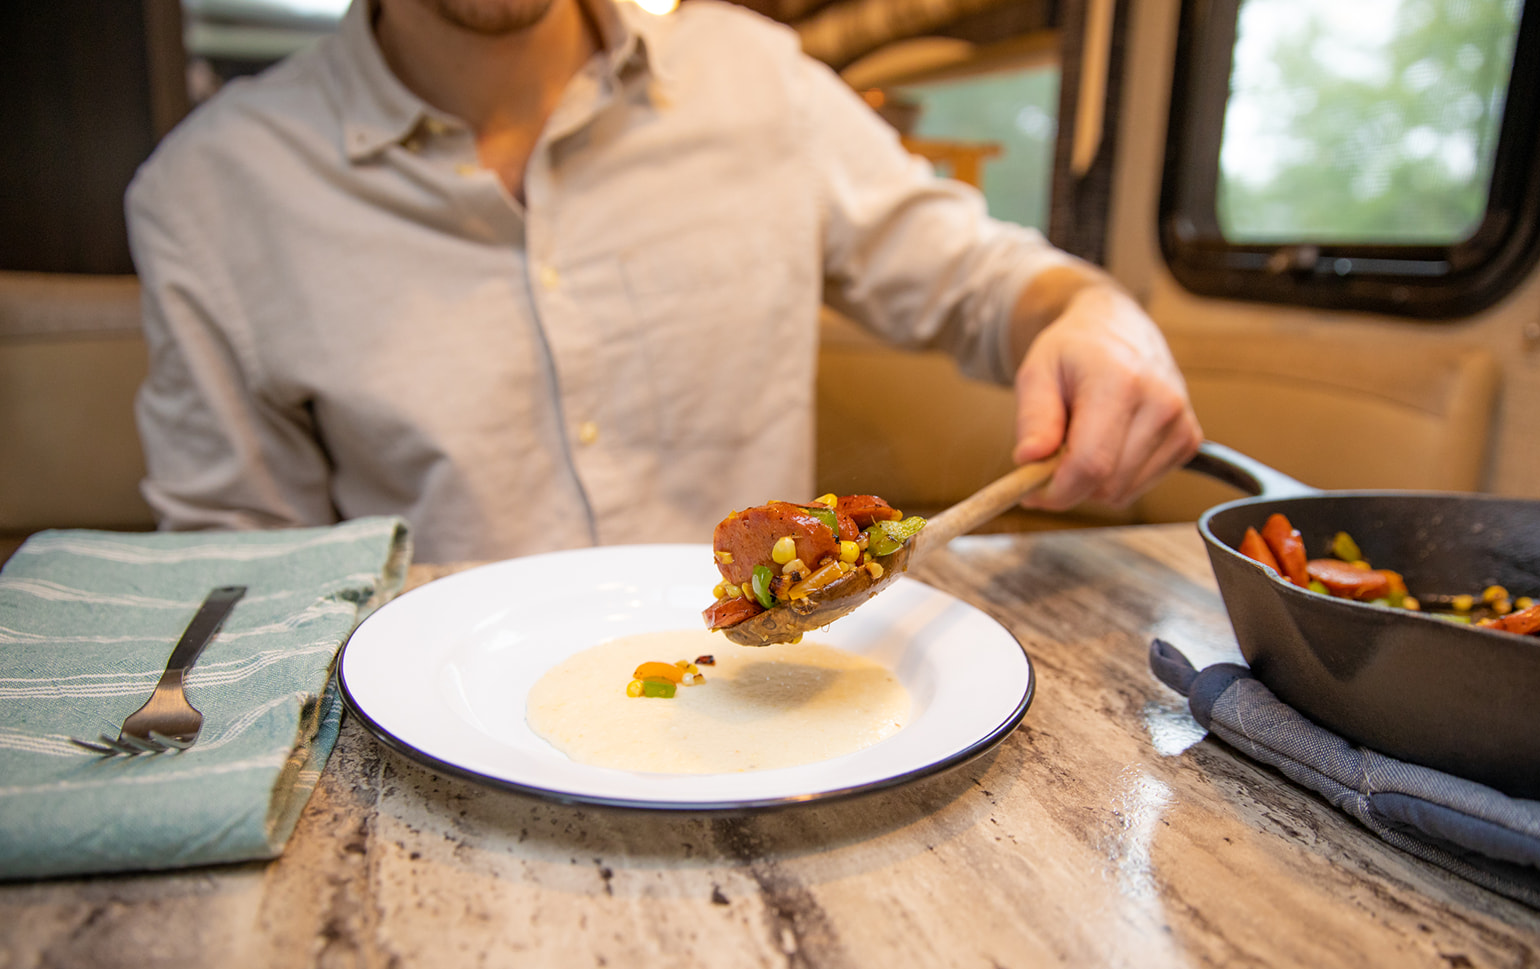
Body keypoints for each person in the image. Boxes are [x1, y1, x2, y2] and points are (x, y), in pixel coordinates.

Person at [127, 0, 1201, 563]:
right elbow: (240, 568)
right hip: (438, 740)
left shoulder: (761, 80)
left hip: (766, 698)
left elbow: (984, 281)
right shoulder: (212, 191)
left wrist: (1093, 313)